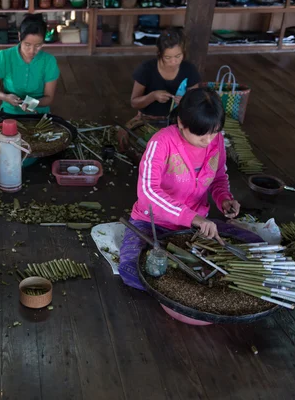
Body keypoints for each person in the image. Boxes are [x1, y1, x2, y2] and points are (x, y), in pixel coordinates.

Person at [119, 88, 260, 290]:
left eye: (215, 132)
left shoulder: (215, 140)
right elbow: (147, 193)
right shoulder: (161, 143)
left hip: (196, 226)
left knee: (255, 244)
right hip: (153, 224)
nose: (209, 141)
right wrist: (191, 217)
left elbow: (219, 177)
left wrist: (224, 199)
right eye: (201, 135)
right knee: (132, 271)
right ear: (181, 124)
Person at [0, 13, 60, 115]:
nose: (32, 51)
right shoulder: (4, 57)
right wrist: (5, 97)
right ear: (19, 36)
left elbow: (49, 98)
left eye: (38, 45)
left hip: (39, 114)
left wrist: (33, 103)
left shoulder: (49, 61)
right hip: (10, 112)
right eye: (27, 45)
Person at [130, 28, 201, 120]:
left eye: (178, 56)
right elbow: (134, 103)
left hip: (178, 121)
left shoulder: (189, 70)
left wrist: (185, 102)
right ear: (159, 53)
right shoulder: (146, 69)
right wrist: (152, 96)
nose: (173, 61)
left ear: (184, 52)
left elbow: (196, 101)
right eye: (167, 57)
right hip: (148, 119)